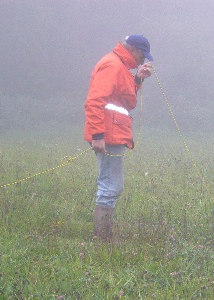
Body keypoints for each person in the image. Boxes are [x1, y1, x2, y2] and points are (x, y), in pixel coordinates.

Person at [84, 34, 153, 241]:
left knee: (112, 186)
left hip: (114, 134)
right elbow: (95, 101)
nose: (143, 60)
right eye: (142, 55)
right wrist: (97, 135)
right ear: (133, 49)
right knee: (109, 186)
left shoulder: (121, 67)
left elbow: (125, 101)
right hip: (107, 135)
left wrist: (138, 78)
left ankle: (104, 236)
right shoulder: (112, 65)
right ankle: (103, 240)